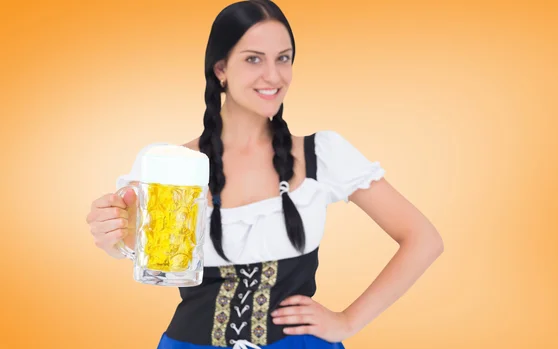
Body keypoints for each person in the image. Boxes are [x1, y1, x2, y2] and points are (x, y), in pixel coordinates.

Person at [85, 1, 444, 348]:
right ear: (221, 69)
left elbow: (423, 239)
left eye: (283, 59)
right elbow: (134, 245)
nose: (273, 75)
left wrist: (349, 320)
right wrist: (114, 235)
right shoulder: (172, 166)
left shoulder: (323, 155)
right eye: (253, 59)